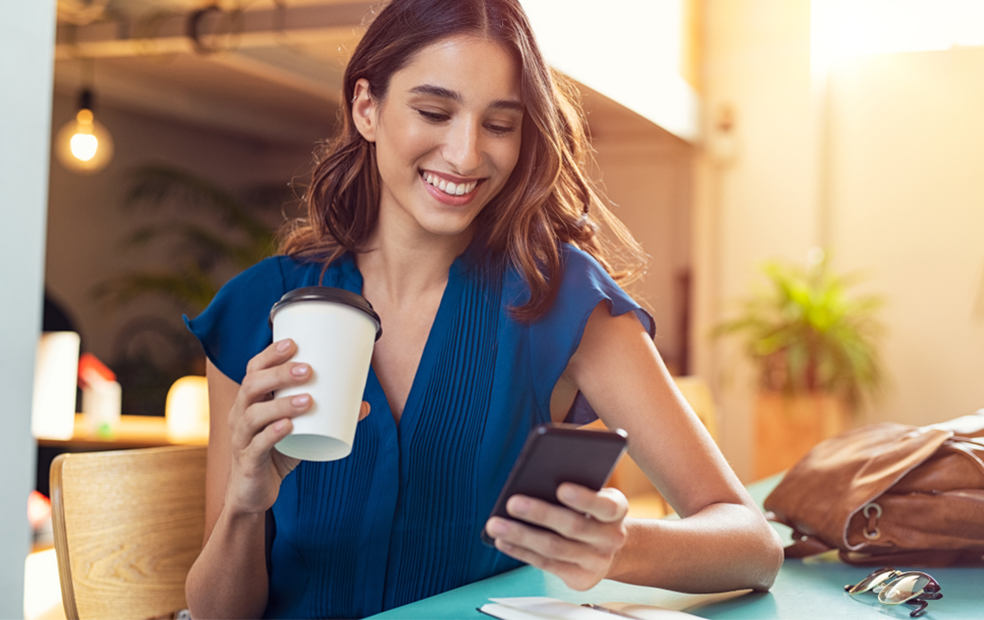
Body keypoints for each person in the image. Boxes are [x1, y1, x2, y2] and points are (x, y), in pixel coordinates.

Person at [184, 1, 784, 618]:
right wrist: (243, 506)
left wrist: (620, 546)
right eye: (434, 112)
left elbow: (753, 545)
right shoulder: (259, 310)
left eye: (499, 124)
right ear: (367, 107)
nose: (466, 155)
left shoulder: (563, 300)